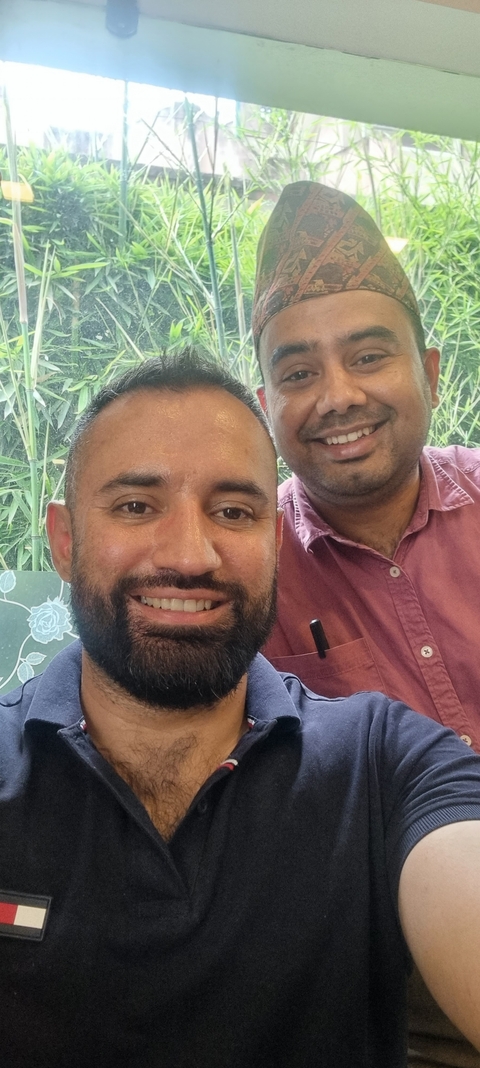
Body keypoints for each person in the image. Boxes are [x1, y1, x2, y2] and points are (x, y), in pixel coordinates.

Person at [2, 351, 480, 1068]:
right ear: (65, 541)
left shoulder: (383, 763)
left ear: (273, 542)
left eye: (233, 511)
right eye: (136, 506)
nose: (192, 555)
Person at [253, 181, 480, 1067]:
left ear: (428, 369)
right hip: (394, 980)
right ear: (266, 404)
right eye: (298, 372)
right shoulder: (247, 564)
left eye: (368, 356)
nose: (336, 396)